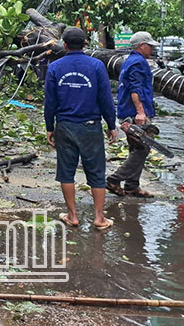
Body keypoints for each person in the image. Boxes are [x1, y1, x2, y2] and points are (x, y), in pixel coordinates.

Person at [44, 27, 117, 230]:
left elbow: (49, 102)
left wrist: (49, 127)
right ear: (85, 43)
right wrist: (111, 125)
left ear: (64, 45)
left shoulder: (55, 67)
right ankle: (99, 218)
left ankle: (72, 215)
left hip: (65, 125)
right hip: (91, 126)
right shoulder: (97, 66)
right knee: (96, 172)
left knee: (66, 172)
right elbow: (105, 99)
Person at [107, 31, 158, 198]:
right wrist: (141, 112)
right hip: (134, 113)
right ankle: (115, 179)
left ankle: (132, 185)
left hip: (127, 111)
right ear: (141, 46)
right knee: (142, 148)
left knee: (136, 148)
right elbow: (135, 89)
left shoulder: (130, 61)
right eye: (149, 46)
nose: (151, 49)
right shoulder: (137, 63)